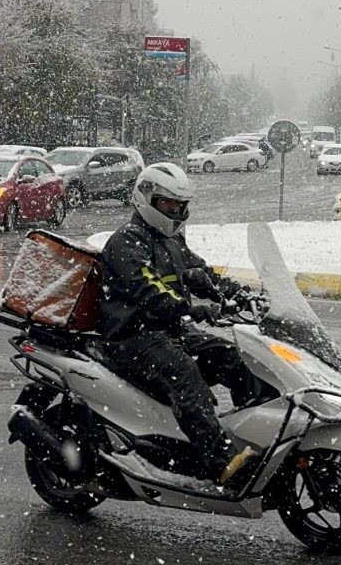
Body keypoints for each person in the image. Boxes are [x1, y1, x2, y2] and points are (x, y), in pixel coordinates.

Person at [99, 162, 264, 485]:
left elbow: (203, 274)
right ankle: (220, 461)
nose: (175, 211)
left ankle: (255, 433)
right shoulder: (127, 242)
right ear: (146, 198)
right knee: (185, 374)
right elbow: (149, 290)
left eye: (180, 205)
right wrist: (191, 308)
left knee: (231, 355)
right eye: (168, 204)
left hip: (168, 332)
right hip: (132, 337)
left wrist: (240, 293)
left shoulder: (170, 241)